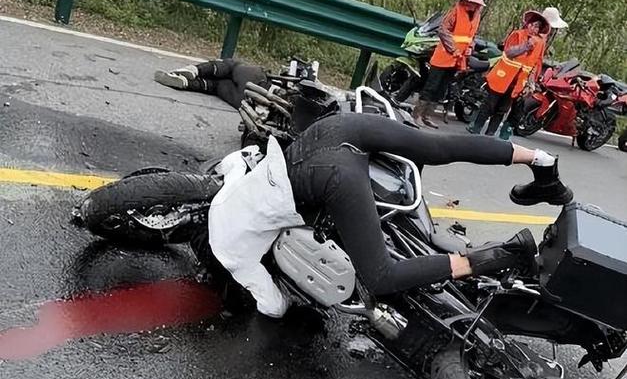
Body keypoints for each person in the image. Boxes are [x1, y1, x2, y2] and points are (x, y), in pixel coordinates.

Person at [194, 112, 573, 317]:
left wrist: (280, 299)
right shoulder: (231, 183)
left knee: (380, 277)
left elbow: (273, 306)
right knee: (438, 146)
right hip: (330, 130)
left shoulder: (234, 255)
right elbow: (233, 163)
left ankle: (493, 257)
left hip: (327, 175)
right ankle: (539, 160)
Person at [467, 10, 550, 138]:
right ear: (527, 24)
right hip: (502, 78)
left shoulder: (539, 43)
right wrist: (526, 46)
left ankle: (490, 134)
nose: (534, 28)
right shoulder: (517, 35)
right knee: (489, 105)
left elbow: (535, 64)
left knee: (502, 109)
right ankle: (476, 128)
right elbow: (509, 52)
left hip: (517, 83)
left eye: (537, 26)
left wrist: (531, 82)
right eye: (533, 24)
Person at [412, 0, 485, 129]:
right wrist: (453, 49)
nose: (472, 4)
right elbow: (443, 31)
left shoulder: (476, 16)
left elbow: (471, 37)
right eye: (470, 1)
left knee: (441, 89)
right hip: (444, 56)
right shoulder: (455, 12)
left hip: (457, 60)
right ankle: (417, 114)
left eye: (475, 2)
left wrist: (470, 47)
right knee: (431, 86)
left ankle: (427, 115)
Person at [154, 58, 269, 109]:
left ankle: (195, 70)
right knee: (216, 86)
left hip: (260, 83)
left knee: (231, 66)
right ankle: (187, 83)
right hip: (248, 103)